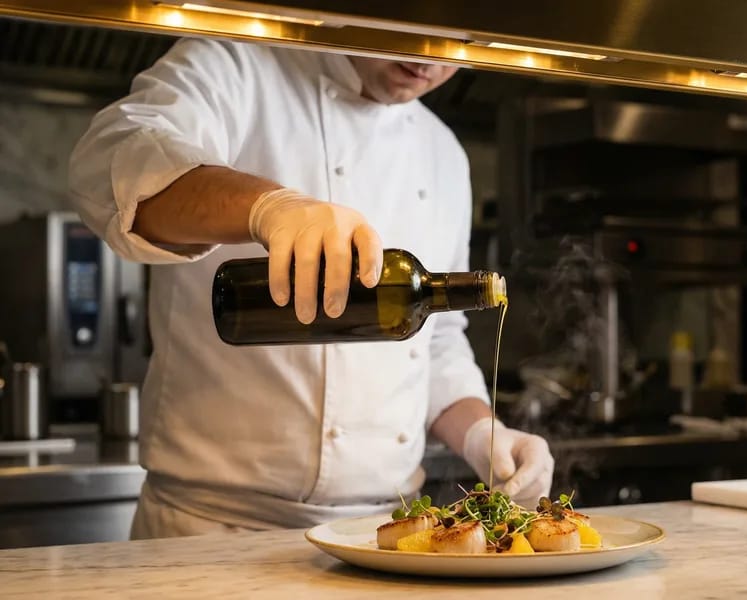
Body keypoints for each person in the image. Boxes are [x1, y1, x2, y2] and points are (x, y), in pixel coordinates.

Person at [68, 37, 554, 539]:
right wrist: (267, 207)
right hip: (213, 528)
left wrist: (483, 435)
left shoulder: (445, 155)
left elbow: (437, 343)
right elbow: (114, 161)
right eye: (412, 31)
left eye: (459, 43)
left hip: (385, 531)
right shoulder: (238, 61)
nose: (428, 60)